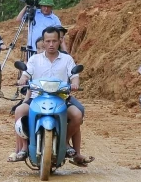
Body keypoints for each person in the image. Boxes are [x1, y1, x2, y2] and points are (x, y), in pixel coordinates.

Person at [9, 27, 91, 166]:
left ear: (59, 41)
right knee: (19, 111)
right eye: (48, 41)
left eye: (54, 41)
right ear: (44, 42)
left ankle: (65, 142)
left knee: (77, 115)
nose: (51, 44)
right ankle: (23, 148)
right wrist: (22, 80)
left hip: (61, 98)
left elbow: (74, 76)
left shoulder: (67, 59)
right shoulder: (35, 59)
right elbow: (26, 74)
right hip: (36, 98)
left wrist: (75, 84)